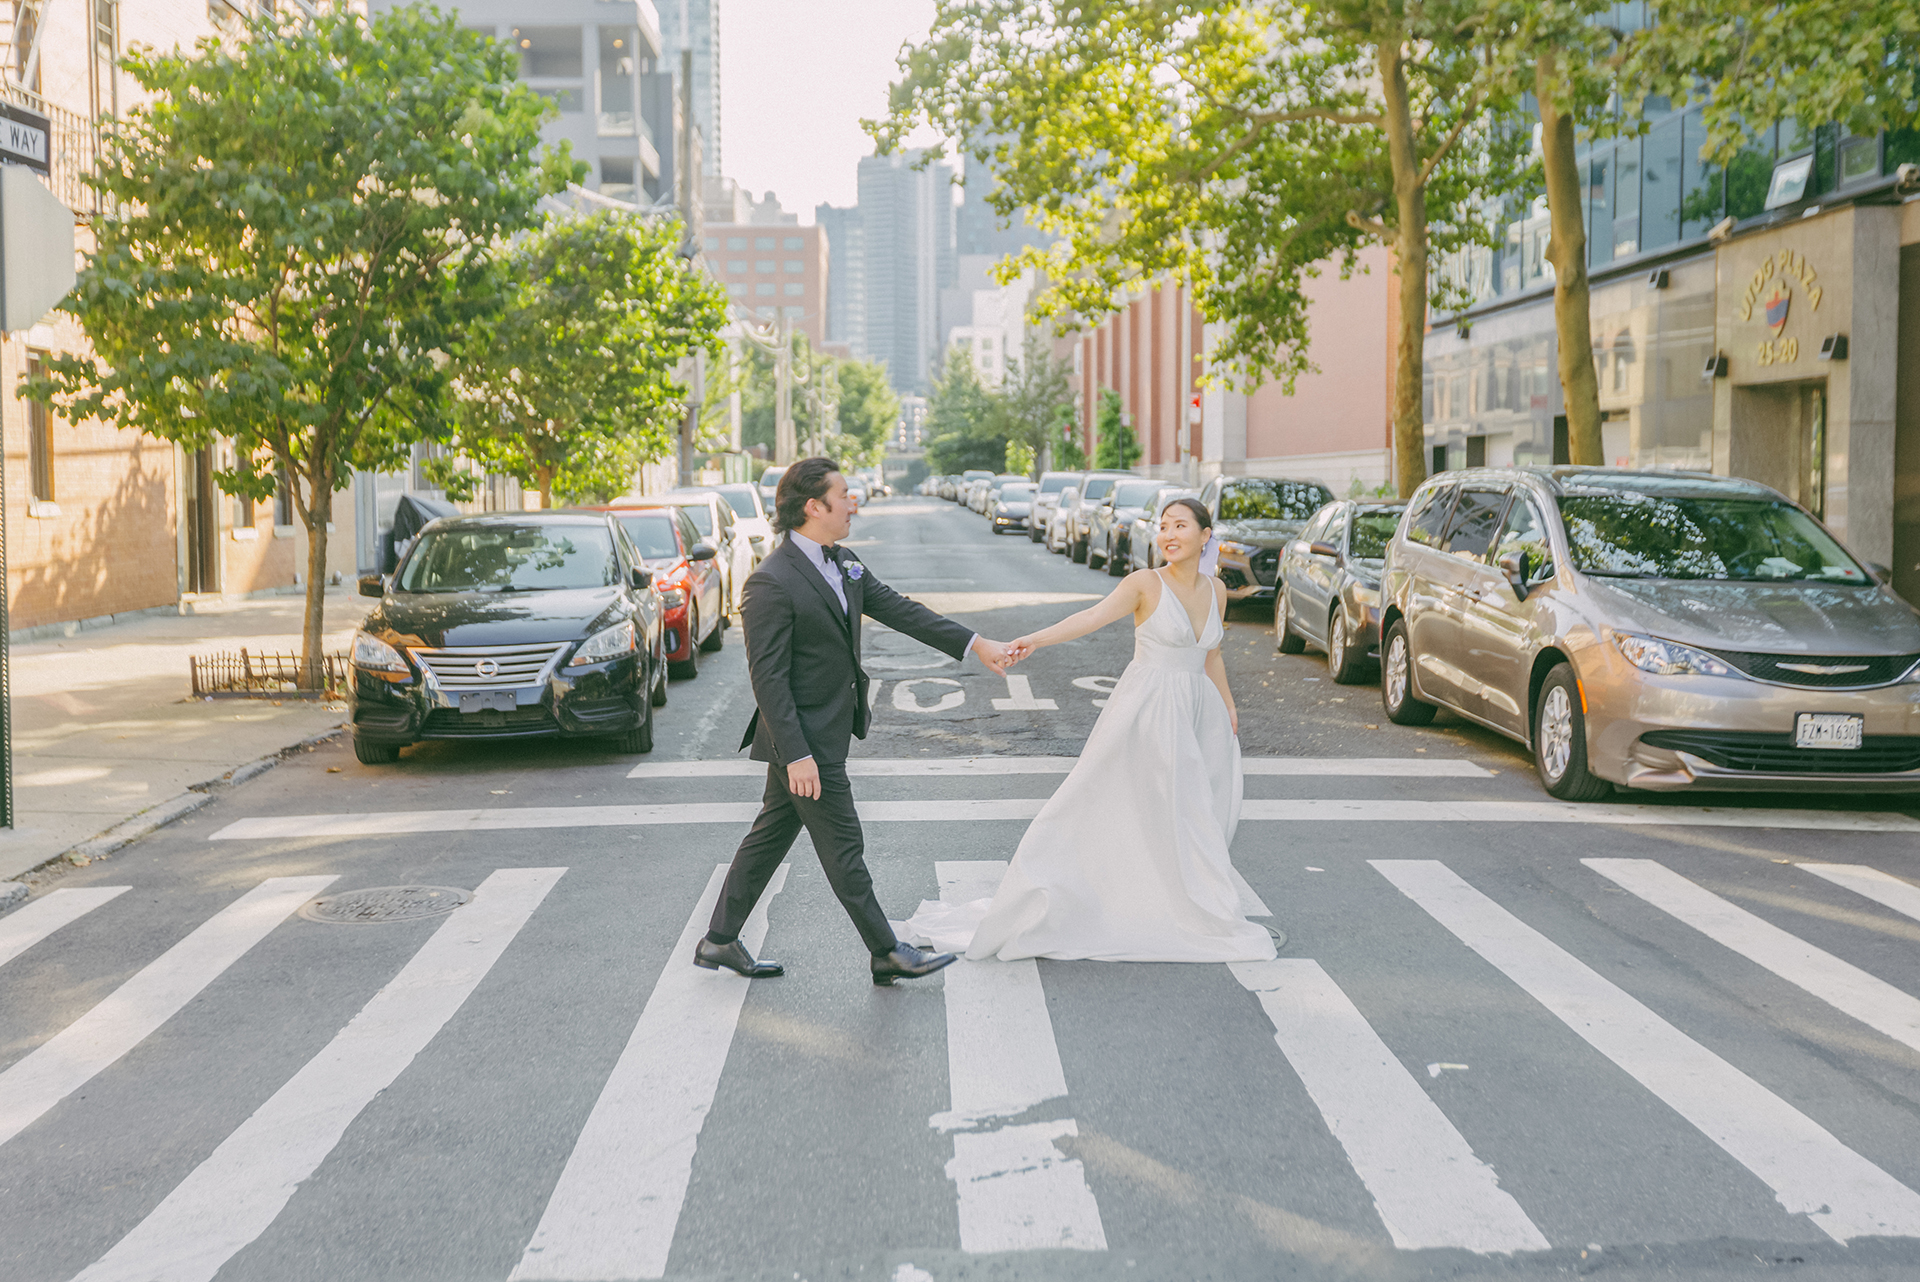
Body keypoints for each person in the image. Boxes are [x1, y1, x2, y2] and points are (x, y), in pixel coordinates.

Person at [902, 497, 1279, 962]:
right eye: (1164, 526)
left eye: (1180, 526)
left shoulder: (1216, 589)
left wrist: (1228, 704)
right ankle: (1107, 897)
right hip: (1150, 709)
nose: (1168, 534)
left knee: (1191, 808)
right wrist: (1033, 640)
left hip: (1200, 711)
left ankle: (1177, 897)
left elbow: (1212, 654)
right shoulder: (1145, 583)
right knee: (1126, 801)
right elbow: (1091, 618)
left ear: (1205, 535)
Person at [696, 457, 1021, 985]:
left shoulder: (843, 562)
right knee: (844, 847)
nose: (854, 503)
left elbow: (900, 610)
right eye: (844, 495)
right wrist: (797, 754)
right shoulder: (770, 582)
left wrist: (975, 643)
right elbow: (768, 680)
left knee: (769, 837)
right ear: (813, 507)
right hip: (806, 741)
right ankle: (885, 950)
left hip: (823, 730)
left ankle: (719, 939)